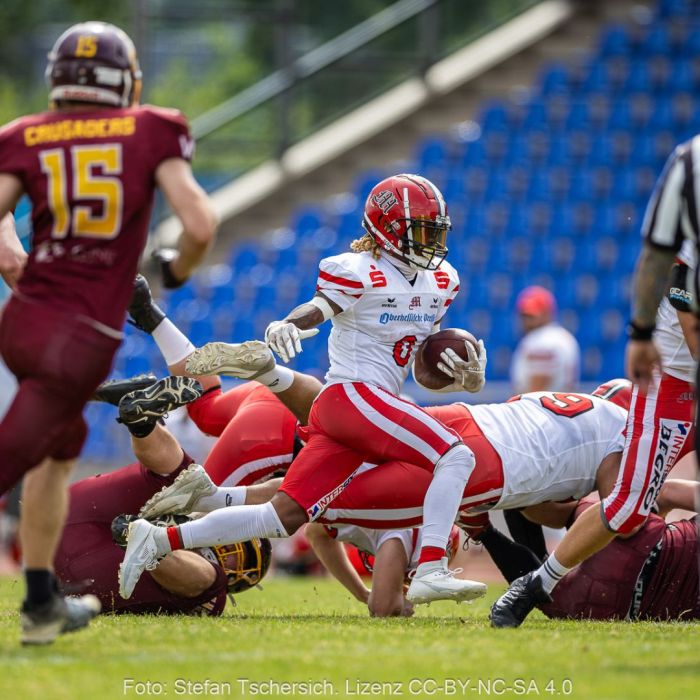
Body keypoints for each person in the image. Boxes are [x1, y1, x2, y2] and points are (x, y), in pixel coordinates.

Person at [121, 173, 489, 605]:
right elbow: (318, 308)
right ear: (388, 229)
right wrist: (287, 323)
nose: (433, 243)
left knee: (281, 516)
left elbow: (422, 364)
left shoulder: (442, 280)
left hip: (360, 409)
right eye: (424, 231)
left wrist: (465, 378)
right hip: (354, 395)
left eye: (436, 232)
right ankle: (429, 567)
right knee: (456, 453)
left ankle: (157, 539)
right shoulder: (358, 270)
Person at [0, 21, 217, 644]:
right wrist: (175, 269)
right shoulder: (153, 127)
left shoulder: (24, 136)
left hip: (28, 322)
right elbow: (198, 224)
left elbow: (9, 251)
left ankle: (40, 604)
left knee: (54, 452)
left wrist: (17, 265)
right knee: (18, 454)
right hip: (80, 332)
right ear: (126, 80)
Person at [491, 192, 698, 632]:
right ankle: (534, 585)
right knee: (626, 511)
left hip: (674, 394)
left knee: (632, 505)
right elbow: (691, 328)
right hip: (669, 391)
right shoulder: (687, 263)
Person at [57, 377, 272, 616]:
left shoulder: (213, 589)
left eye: (238, 558)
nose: (228, 547)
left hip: (58, 546)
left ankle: (145, 425)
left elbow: (201, 580)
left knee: (212, 582)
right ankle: (143, 422)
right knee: (182, 482)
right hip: (73, 526)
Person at [482, 486, 699, 622]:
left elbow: (666, 493)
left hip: (639, 544)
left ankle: (494, 506)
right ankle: (485, 532)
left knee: (547, 508)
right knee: (550, 598)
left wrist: (650, 516)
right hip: (612, 607)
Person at [306, 523, 462, 618]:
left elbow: (314, 531)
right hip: (382, 514)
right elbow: (383, 609)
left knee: (301, 506)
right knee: (384, 608)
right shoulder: (403, 537)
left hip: (376, 511)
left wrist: (362, 594)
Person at [510, 285, 580, 395]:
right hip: (560, 407)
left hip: (542, 409)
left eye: (531, 316)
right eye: (524, 316)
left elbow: (536, 393)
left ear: (547, 314)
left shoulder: (542, 341)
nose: (526, 321)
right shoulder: (562, 337)